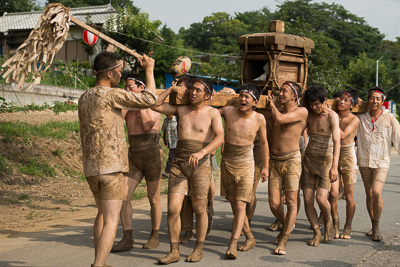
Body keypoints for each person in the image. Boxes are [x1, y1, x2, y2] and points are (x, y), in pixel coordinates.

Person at [78, 51, 156, 267]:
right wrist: (149, 70)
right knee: (112, 219)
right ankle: (98, 265)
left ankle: (99, 261)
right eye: (120, 72)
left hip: (91, 168)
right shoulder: (111, 94)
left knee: (102, 215)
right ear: (110, 73)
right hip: (111, 167)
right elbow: (149, 99)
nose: (121, 76)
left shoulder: (84, 97)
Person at [152, 77, 224, 263]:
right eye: (192, 89)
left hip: (200, 165)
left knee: (200, 208)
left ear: (207, 95)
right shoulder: (181, 109)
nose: (193, 92)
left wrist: (203, 152)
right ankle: (174, 251)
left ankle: (198, 248)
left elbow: (220, 137)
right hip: (179, 164)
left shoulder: (212, 113)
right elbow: (155, 105)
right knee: (173, 208)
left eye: (198, 90)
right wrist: (170, 90)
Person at [111, 56, 162, 252]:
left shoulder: (151, 104)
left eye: (130, 87)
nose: (127, 90)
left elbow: (148, 125)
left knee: (153, 198)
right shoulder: (127, 104)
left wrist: (139, 103)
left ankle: (155, 235)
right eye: (125, 87)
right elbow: (119, 119)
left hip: (151, 152)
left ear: (141, 88)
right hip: (134, 153)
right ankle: (127, 237)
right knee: (124, 196)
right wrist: (126, 103)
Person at [219, 83, 269, 259]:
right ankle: (250, 237)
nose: (242, 99)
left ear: (254, 101)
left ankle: (232, 244)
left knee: (241, 204)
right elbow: (208, 114)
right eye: (241, 95)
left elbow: (263, 143)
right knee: (233, 202)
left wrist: (266, 167)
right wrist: (221, 94)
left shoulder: (259, 118)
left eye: (247, 96)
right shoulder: (227, 111)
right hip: (227, 161)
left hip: (247, 162)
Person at [259, 81, 308, 254]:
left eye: (284, 91)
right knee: (274, 203)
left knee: (292, 202)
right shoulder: (275, 111)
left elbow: (279, 119)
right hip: (274, 161)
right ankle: (288, 223)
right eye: (280, 91)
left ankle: (284, 240)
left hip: (292, 161)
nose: (280, 93)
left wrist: (271, 105)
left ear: (295, 96)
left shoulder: (301, 112)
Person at [357, 86, 400, 241]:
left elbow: (398, 139)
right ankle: (372, 225)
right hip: (364, 161)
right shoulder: (361, 117)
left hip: (382, 161)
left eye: (377, 98)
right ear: (368, 100)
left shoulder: (389, 118)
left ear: (383, 101)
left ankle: (377, 226)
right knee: (368, 194)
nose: (374, 101)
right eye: (371, 98)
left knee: (376, 192)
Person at [302, 85, 340, 247]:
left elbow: (337, 141)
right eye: (311, 104)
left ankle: (329, 220)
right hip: (309, 161)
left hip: (326, 162)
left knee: (321, 198)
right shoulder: (309, 115)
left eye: (317, 103)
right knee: (308, 200)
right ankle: (317, 232)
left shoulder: (332, 116)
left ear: (325, 101)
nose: (314, 107)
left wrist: (334, 166)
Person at [336, 89, 360, 239]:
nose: (341, 102)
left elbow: (343, 135)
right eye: (340, 99)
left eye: (346, 100)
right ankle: (333, 221)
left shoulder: (354, 119)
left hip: (348, 156)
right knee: (331, 193)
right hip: (333, 153)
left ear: (352, 105)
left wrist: (331, 118)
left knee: (349, 196)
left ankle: (348, 225)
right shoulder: (334, 115)